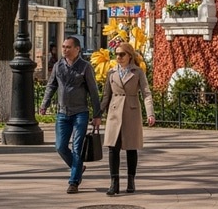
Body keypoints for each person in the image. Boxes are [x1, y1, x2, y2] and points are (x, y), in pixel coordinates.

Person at [39, 35, 102, 194]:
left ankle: (74, 181)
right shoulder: (58, 66)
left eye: (68, 47)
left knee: (77, 146)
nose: (65, 50)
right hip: (62, 113)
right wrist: (44, 104)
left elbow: (93, 92)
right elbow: (51, 86)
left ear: (77, 49)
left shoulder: (85, 67)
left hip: (80, 113)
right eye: (63, 47)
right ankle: (79, 167)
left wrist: (97, 114)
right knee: (60, 147)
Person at [99, 42, 155, 196]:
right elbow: (106, 96)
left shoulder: (138, 72)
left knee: (131, 147)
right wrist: (98, 114)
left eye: (122, 54)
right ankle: (114, 182)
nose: (118, 57)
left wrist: (150, 113)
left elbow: (146, 93)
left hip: (131, 110)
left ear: (129, 55)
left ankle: (131, 180)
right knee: (113, 148)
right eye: (116, 54)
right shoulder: (111, 72)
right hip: (114, 112)